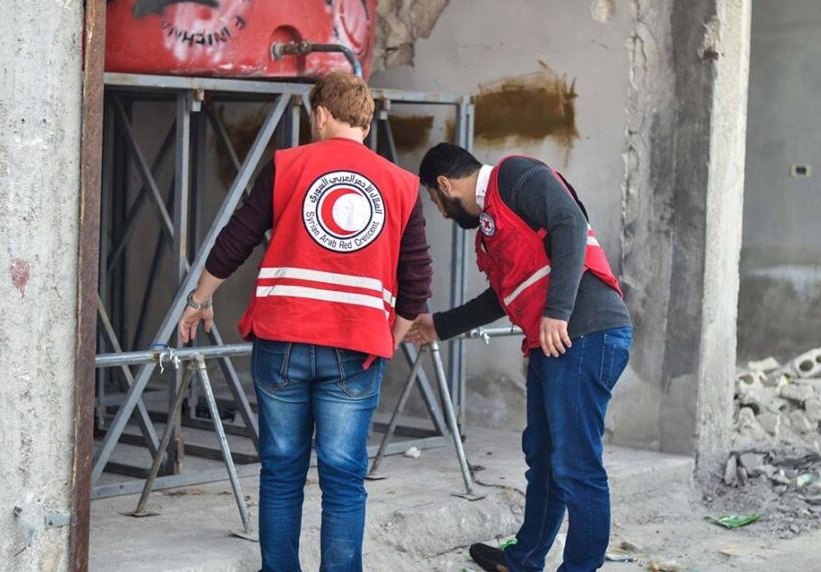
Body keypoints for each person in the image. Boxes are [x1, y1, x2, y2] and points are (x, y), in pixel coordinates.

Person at [178, 72, 432, 572]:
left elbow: (237, 238)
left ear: (320, 115)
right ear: (365, 123)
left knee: (281, 472)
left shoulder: (287, 166)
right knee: (344, 479)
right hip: (357, 348)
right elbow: (417, 278)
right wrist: (392, 337)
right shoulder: (403, 185)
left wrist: (200, 299)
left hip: (283, 340)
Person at [407, 143, 632, 572]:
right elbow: (502, 295)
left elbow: (570, 223)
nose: (441, 212)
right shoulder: (491, 227)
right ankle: (523, 561)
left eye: (436, 201)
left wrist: (557, 311)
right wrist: (440, 325)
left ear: (445, 185)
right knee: (544, 459)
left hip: (585, 333)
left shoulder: (516, 175)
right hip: (555, 340)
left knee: (576, 465)